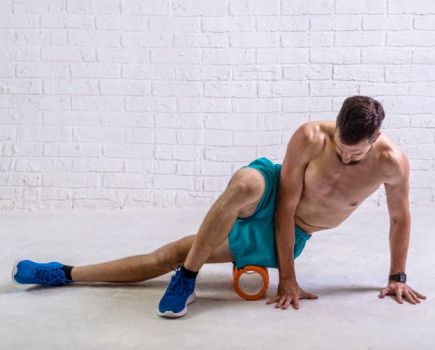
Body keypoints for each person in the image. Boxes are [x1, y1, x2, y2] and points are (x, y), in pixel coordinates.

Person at [12, 96, 426, 318]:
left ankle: (61, 273)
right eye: (339, 146)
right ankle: (187, 280)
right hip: (272, 194)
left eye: (354, 154)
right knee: (246, 181)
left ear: (375, 139)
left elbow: (399, 217)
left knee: (170, 254)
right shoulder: (310, 136)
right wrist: (287, 278)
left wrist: (397, 276)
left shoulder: (392, 164)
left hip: (296, 230)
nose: (344, 157)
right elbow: (284, 203)